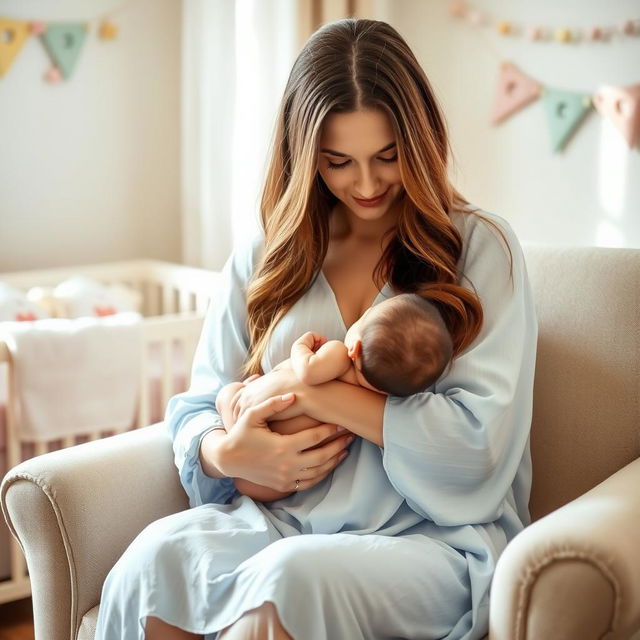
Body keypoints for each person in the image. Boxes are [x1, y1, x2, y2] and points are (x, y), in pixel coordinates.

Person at [95, 17, 537, 640]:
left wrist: (313, 393)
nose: (366, 184)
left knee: (292, 581)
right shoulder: (268, 253)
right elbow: (200, 401)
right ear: (306, 157)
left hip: (428, 540)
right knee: (152, 564)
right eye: (338, 162)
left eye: (387, 156)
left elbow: (479, 447)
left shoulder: (480, 249)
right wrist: (224, 453)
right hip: (278, 522)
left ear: (422, 139)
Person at [216, 293, 454, 502]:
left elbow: (308, 372)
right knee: (244, 481)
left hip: (265, 432)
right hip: (286, 476)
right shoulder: (377, 394)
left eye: (363, 319)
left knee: (228, 394)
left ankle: (233, 426)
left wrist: (301, 347)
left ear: (356, 347)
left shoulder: (340, 354)